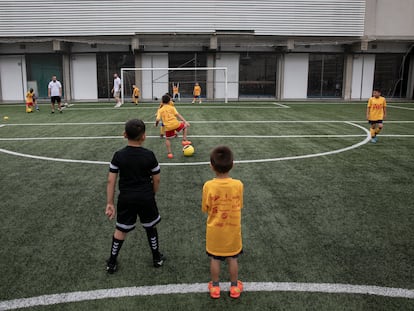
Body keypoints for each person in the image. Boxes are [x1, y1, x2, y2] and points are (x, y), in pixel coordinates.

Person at [105, 119, 164, 273]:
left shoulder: (119, 155)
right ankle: (157, 258)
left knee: (121, 229)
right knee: (150, 226)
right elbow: (156, 178)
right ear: (144, 136)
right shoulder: (149, 155)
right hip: (146, 197)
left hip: (126, 198)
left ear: (125, 134)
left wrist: (110, 203)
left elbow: (111, 180)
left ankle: (112, 262)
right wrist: (152, 193)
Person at [202, 146, 244, 299]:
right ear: (232, 164)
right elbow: (240, 205)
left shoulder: (208, 186)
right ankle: (234, 287)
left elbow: (205, 207)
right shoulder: (238, 184)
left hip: (215, 231)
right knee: (233, 258)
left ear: (211, 166)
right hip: (233, 231)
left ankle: (215, 287)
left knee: (215, 258)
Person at [155, 94, 191, 159]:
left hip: (168, 127)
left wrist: (156, 124)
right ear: (169, 101)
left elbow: (157, 119)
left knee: (168, 139)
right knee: (185, 127)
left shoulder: (160, 110)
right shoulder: (172, 107)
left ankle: (170, 153)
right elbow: (178, 115)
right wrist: (185, 121)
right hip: (176, 124)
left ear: (162, 101)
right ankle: (184, 140)